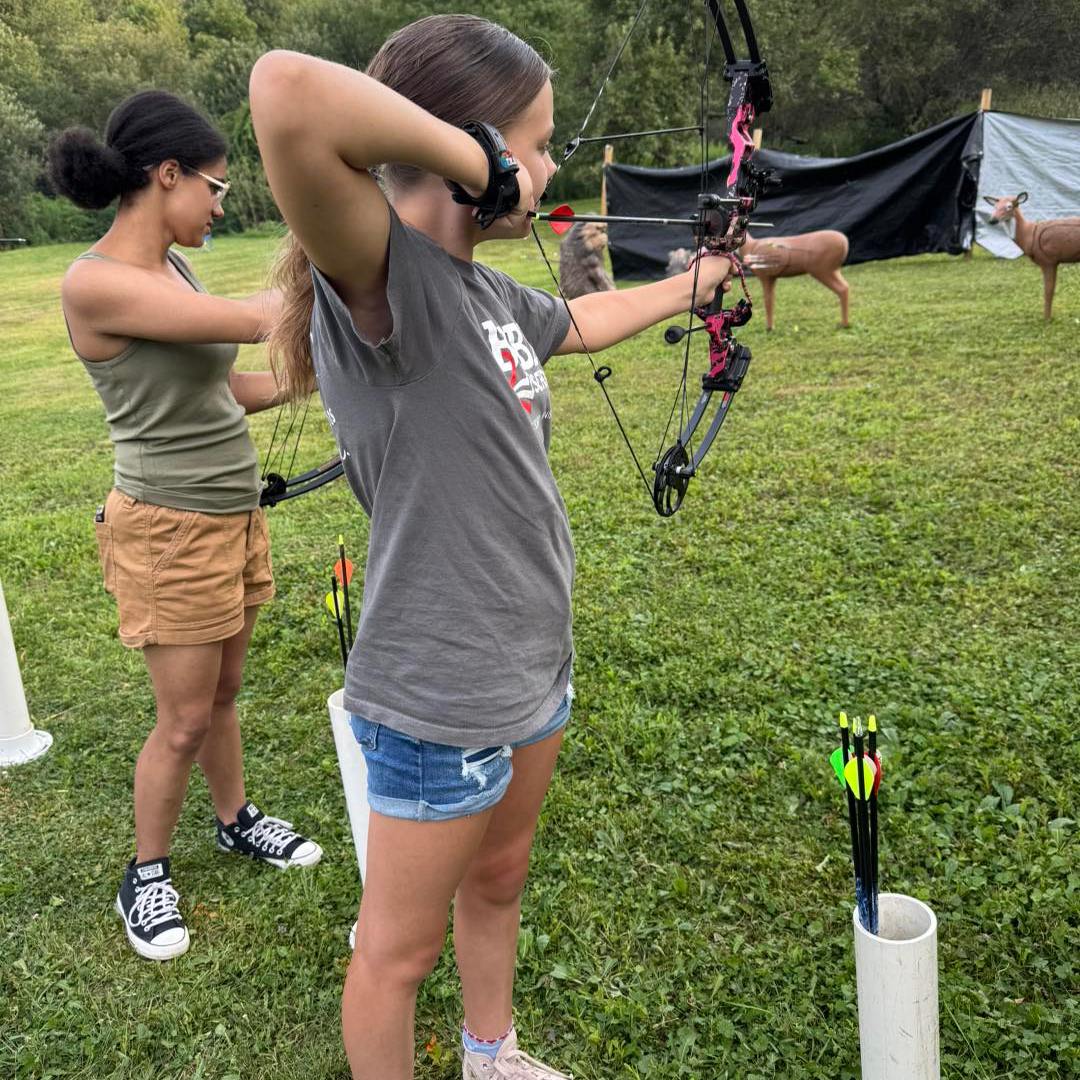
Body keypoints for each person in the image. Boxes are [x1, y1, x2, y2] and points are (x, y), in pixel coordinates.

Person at [249, 16, 732, 1079]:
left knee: (500, 878)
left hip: (527, 659)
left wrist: (701, 282)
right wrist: (485, 160)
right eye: (538, 143)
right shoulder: (385, 281)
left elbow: (582, 322)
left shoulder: (479, 291)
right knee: (394, 950)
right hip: (437, 688)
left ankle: (490, 1054)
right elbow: (286, 90)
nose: (548, 168)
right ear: (469, 149)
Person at [49, 90, 322, 963]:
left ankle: (235, 820)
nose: (220, 204)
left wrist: (312, 382)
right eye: (215, 187)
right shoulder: (95, 283)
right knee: (180, 721)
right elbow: (258, 321)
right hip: (168, 531)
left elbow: (224, 389)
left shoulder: (172, 269)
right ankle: (147, 871)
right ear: (166, 176)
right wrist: (357, 252)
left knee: (223, 697)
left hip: (230, 517)